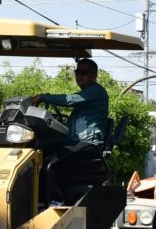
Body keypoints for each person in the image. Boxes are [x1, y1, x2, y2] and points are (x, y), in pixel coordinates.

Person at [32, 58, 110, 202]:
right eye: (77, 72)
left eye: (84, 73)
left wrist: (43, 97)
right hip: (76, 141)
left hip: (89, 145)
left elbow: (69, 100)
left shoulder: (95, 91)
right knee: (39, 149)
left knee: (53, 163)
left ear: (94, 75)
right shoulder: (86, 95)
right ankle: (35, 198)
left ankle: (56, 198)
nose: (79, 76)